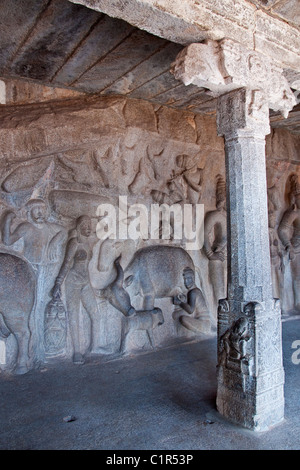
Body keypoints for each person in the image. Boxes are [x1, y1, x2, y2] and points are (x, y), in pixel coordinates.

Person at [52, 215, 99, 364]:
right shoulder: (74, 243)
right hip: (72, 282)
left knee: (94, 313)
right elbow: (66, 264)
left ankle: (94, 346)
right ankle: (77, 351)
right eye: (85, 225)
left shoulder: (89, 243)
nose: (88, 227)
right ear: (78, 227)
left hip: (85, 282)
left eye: (90, 225)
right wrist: (58, 283)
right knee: (73, 315)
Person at [278, 175, 300, 312]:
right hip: (297, 248)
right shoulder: (294, 213)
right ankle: (297, 302)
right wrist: (288, 245)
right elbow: (282, 230)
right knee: (298, 277)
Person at [173, 267, 211, 334]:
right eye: (184, 279)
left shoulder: (193, 292)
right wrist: (184, 301)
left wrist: (180, 303)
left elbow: (190, 310)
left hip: (203, 323)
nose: (186, 282)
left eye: (188, 278)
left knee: (182, 318)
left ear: (193, 278)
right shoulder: (195, 291)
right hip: (204, 323)